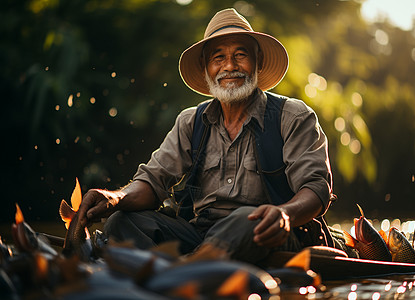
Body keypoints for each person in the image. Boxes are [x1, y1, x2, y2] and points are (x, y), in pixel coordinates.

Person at [77, 8, 334, 264]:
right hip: (200, 236)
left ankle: (180, 270)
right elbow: (152, 183)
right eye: (218, 57)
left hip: (268, 233)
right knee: (122, 221)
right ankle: (193, 266)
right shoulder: (191, 122)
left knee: (246, 219)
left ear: (259, 62)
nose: (230, 66)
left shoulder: (292, 116)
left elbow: (316, 189)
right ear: (206, 69)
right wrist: (113, 198)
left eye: (240, 55)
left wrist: (284, 214)